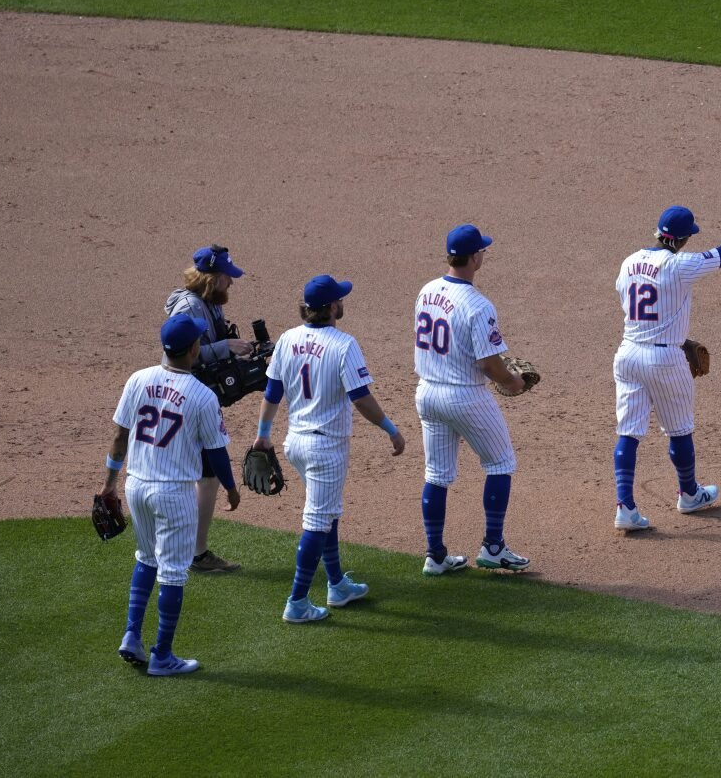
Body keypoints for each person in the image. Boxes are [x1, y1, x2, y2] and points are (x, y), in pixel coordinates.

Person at [252, 275, 406, 623]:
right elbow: (361, 398)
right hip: (326, 449)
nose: (342, 303)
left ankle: (336, 584)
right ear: (332, 307)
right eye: (340, 299)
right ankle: (297, 602)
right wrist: (391, 430)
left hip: (296, 444)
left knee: (327, 511)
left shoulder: (287, 339)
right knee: (318, 520)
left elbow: (272, 392)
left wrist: (263, 434)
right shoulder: (343, 344)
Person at [611, 186, 721, 531]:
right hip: (664, 361)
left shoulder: (630, 261)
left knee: (629, 432)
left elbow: (638, 311)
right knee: (679, 430)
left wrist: (678, 336)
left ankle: (625, 507)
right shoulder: (680, 264)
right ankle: (689, 494)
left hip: (628, 354)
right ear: (682, 239)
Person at [101, 314, 241, 676]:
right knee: (174, 573)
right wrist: (230, 487)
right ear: (194, 349)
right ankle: (162, 656)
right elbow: (216, 452)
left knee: (146, 559)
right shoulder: (202, 396)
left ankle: (131, 635)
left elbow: (119, 438)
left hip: (136, 484)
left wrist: (109, 483)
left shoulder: (138, 379)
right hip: (174, 493)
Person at [413, 224, 531, 576]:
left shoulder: (427, 290)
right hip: (464, 395)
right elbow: (488, 363)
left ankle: (435, 555)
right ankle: (493, 547)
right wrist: (513, 382)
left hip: (428, 394)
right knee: (500, 463)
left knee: (436, 474)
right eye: (482, 251)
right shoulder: (478, 305)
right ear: (475, 257)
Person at [165, 244, 252, 573]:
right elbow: (184, 353)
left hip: (195, 396)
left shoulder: (208, 304)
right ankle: (195, 554)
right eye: (227, 277)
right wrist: (226, 346)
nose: (232, 282)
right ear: (213, 279)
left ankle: (191, 550)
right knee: (206, 474)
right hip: (185, 399)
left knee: (203, 475)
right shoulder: (189, 307)